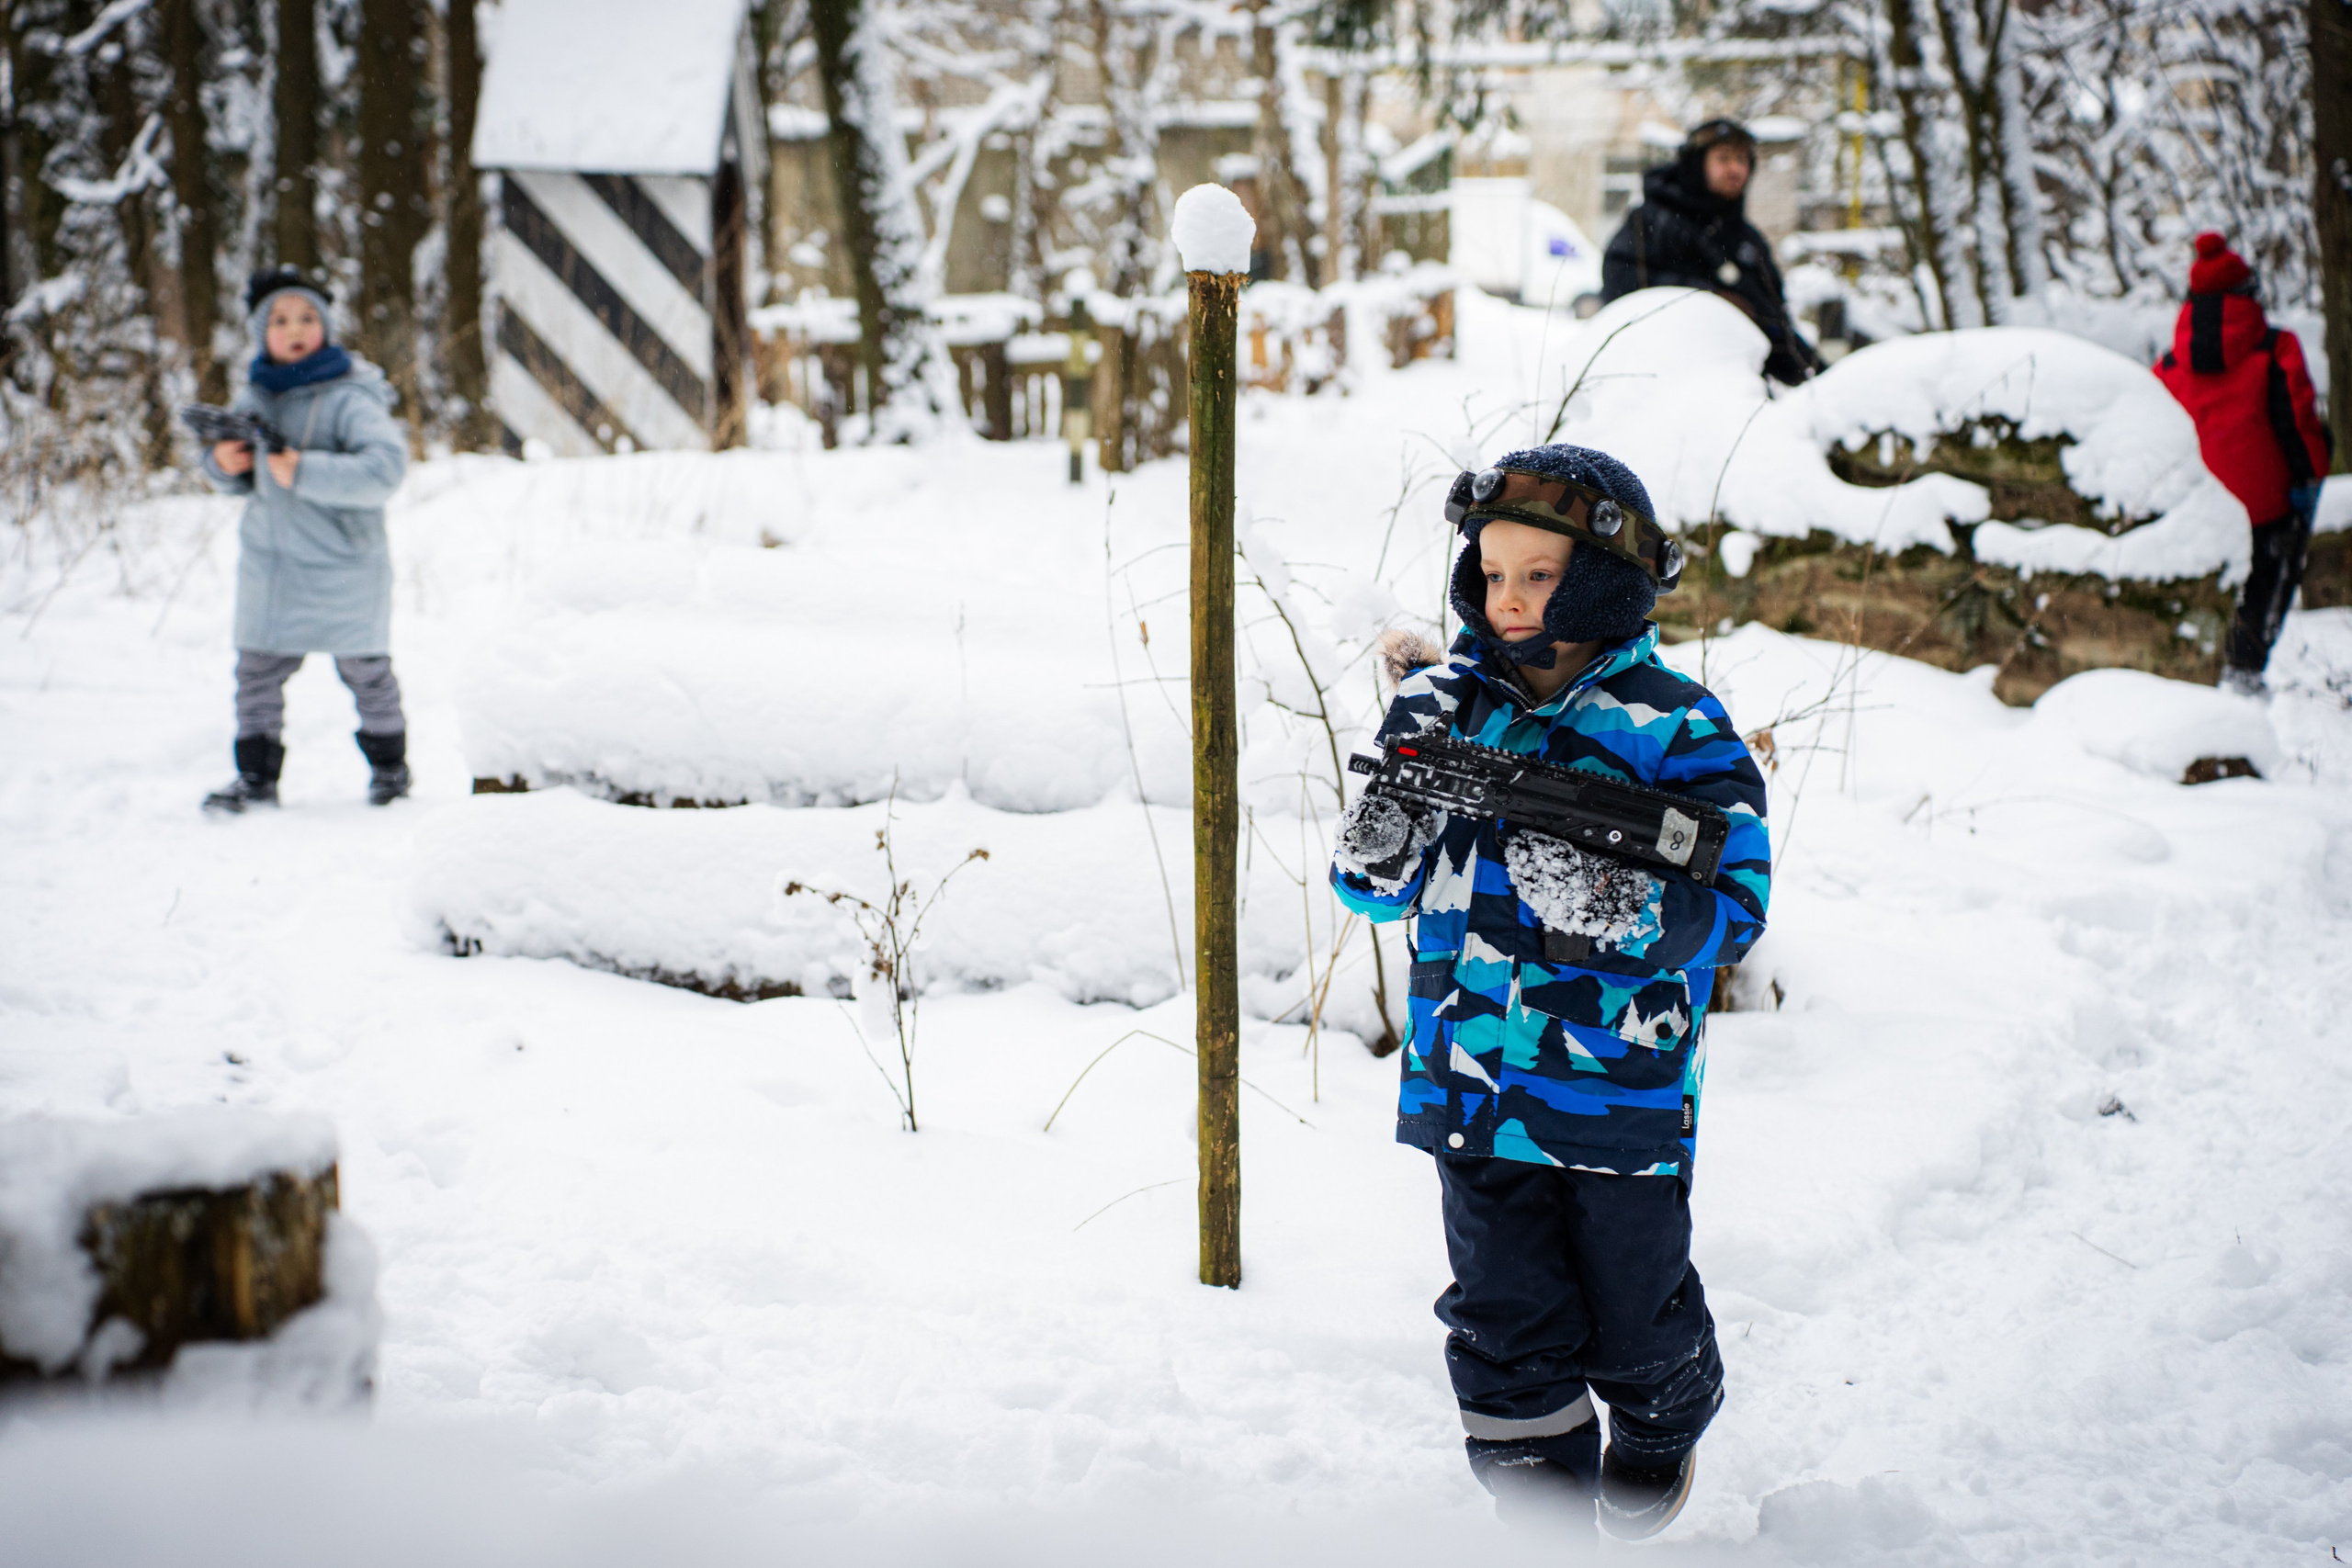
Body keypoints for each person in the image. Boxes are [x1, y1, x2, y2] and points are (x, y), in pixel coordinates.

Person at [1329, 444, 1771, 1541]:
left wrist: (1621, 905)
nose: (1508, 599)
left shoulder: (1673, 722)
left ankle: (1662, 1422)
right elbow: (1373, 894)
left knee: (1636, 1312)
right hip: (1469, 1084)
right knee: (1499, 1319)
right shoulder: (1439, 707)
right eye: (1490, 574)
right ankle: (1536, 1508)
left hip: (1616, 1094)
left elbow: (1738, 899)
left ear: (1607, 572)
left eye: (1538, 573)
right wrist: (1381, 840)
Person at [199, 268, 412, 813]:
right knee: (256, 673)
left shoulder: (351, 399)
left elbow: (385, 469)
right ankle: (255, 777)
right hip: (272, 563)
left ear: (328, 326)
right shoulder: (255, 397)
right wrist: (224, 464)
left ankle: (390, 770)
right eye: (280, 320)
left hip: (345, 563)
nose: (295, 329)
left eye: (308, 318)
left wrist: (306, 471)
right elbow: (233, 476)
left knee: (367, 673)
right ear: (259, 333)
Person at [2153, 231, 2333, 698]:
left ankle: (2210, 675)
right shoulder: (2276, 348)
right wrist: (2313, 472)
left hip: (2201, 502)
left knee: (2216, 587)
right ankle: (2246, 673)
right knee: (2266, 584)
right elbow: (2299, 422)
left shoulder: (2169, 364)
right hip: (2266, 498)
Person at [1601, 119, 1822, 387]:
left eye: (1742, 159)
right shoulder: (1653, 220)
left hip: (1739, 389)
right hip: (1660, 383)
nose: (1734, 169)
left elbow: (1774, 325)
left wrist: (1819, 379)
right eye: (1723, 158)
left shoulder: (1747, 239)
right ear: (1697, 163)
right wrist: (1708, 298)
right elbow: (1620, 282)